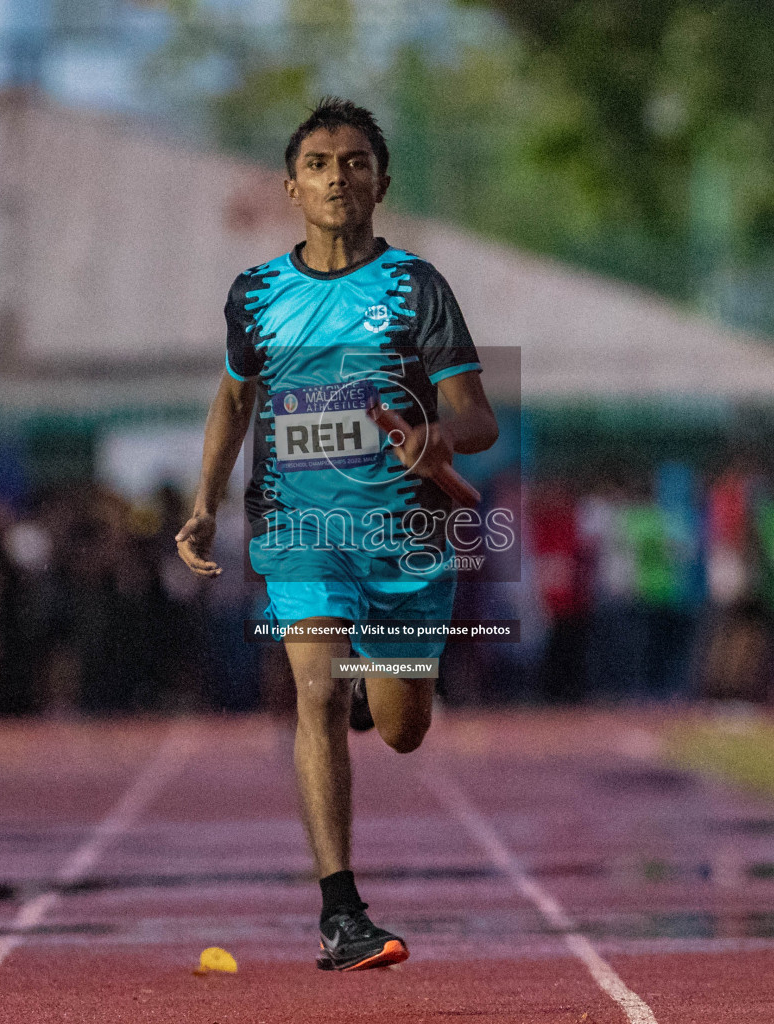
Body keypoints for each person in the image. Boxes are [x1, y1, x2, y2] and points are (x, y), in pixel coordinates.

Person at [175, 98, 497, 972]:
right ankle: (340, 912)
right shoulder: (256, 296)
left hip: (404, 540)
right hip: (299, 531)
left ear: (381, 183)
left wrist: (439, 435)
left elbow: (477, 415)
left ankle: (373, 693)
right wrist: (206, 501)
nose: (337, 176)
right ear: (291, 187)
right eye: (318, 163)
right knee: (311, 694)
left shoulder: (416, 289)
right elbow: (235, 399)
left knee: (400, 730)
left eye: (355, 161)